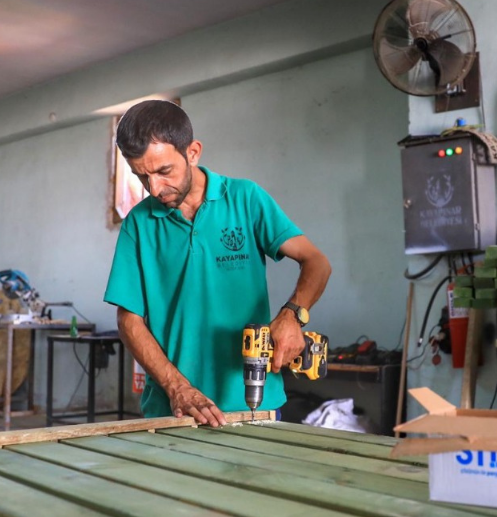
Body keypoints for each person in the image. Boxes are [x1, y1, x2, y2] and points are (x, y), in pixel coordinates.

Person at [104, 100, 331, 427]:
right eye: (142, 176)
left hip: (253, 402)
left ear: (193, 153)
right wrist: (177, 387)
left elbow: (316, 262)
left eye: (164, 171)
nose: (154, 188)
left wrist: (292, 314)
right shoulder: (138, 224)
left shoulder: (245, 199)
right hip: (173, 409)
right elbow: (129, 320)